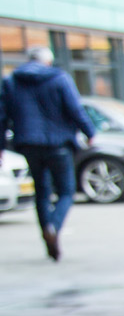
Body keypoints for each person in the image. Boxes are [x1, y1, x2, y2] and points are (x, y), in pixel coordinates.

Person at [0, 46, 96, 260]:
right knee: (66, 191)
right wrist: (89, 132)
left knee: (42, 192)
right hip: (58, 144)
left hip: (28, 144)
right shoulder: (59, 78)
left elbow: (2, 117)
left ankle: (47, 237)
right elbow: (75, 109)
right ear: (48, 61)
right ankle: (53, 226)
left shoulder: (11, 81)